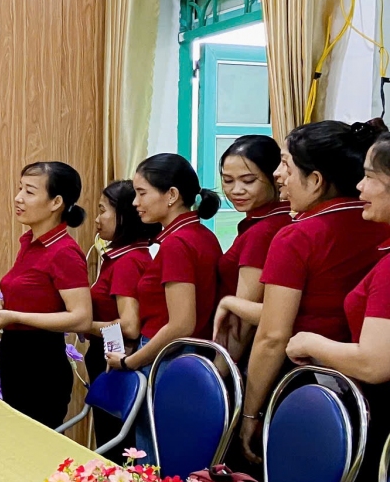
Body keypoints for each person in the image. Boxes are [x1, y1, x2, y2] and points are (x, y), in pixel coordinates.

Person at [233, 120, 388, 461]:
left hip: (310, 387)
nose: (278, 175)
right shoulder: (376, 226)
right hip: (360, 393)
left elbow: (273, 335)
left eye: (286, 164)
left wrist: (251, 413)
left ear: (316, 180)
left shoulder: (297, 236)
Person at [285, 131, 390, 482]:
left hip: (381, 423)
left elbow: (374, 362)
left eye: (369, 177)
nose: (360, 187)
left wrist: (311, 343)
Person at [0, 162, 93, 427]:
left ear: (56, 202)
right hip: (15, 356)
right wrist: (2, 310)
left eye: (29, 192)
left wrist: (14, 316)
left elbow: (81, 318)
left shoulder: (64, 251)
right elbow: (33, 299)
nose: (18, 198)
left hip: (41, 364)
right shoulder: (29, 242)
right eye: (20, 189)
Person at [106, 154, 222, 380]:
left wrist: (129, 361)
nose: (135, 202)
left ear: (172, 195)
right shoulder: (203, 235)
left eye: (142, 193)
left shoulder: (177, 243)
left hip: (168, 356)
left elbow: (181, 325)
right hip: (189, 353)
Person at [85, 181, 158, 443]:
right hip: (109, 355)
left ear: (124, 216)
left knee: (113, 444)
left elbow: (129, 326)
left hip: (114, 360)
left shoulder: (127, 262)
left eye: (102, 210)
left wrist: (82, 324)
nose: (97, 219)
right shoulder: (126, 255)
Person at [213, 135, 289, 362]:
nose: (236, 190)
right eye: (228, 180)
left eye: (248, 181)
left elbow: (242, 320)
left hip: (248, 355)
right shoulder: (276, 219)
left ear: (275, 177)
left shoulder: (262, 232)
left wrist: (219, 371)